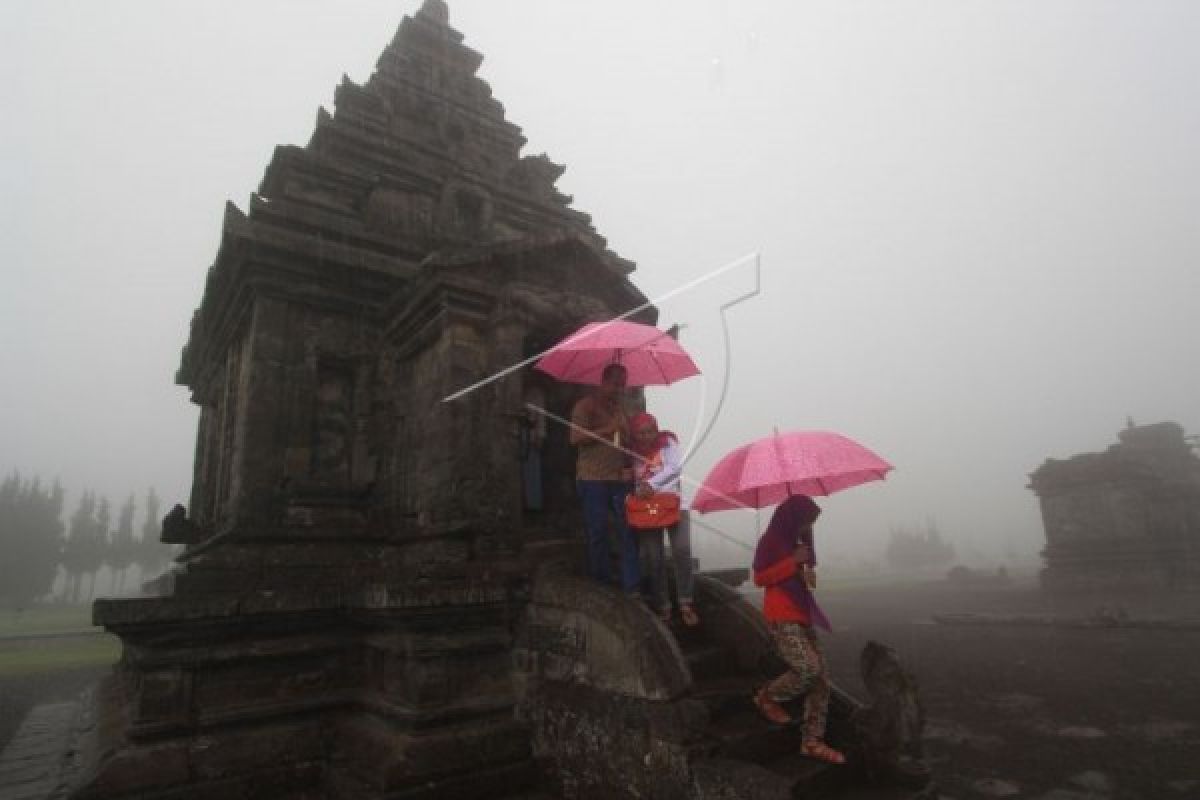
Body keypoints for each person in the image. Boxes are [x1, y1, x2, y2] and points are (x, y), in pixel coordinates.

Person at [751, 494, 845, 765]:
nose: (808, 527)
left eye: (811, 523)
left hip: (802, 613)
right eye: (805, 521)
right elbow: (759, 578)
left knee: (822, 680)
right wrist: (791, 561)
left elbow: (804, 580)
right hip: (781, 614)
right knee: (809, 669)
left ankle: (812, 741)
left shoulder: (799, 542)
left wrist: (804, 570)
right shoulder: (770, 541)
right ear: (792, 518)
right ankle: (767, 696)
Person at [570, 363, 639, 593]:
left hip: (619, 478)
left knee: (627, 530)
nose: (619, 388)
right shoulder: (585, 406)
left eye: (622, 384)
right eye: (615, 383)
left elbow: (627, 443)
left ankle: (631, 584)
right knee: (597, 531)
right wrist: (608, 429)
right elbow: (575, 437)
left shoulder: (621, 410)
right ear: (603, 381)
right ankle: (602, 582)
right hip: (592, 478)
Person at [629, 411, 699, 626]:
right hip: (647, 510)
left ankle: (686, 601)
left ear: (656, 429)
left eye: (649, 431)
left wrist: (651, 484)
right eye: (640, 433)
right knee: (653, 556)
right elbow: (634, 478)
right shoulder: (630, 451)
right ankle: (663, 605)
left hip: (674, 504)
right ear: (635, 434)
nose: (646, 436)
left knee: (681, 550)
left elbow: (674, 468)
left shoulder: (667, 442)